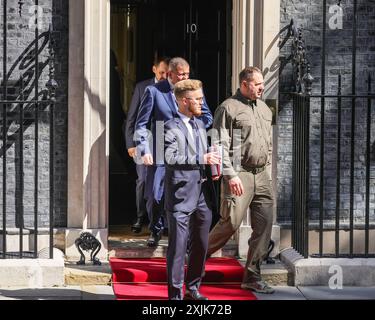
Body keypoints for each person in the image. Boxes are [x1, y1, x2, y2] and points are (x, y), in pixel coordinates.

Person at [207, 67, 275, 294]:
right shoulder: (228, 108)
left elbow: (268, 142)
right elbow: (218, 145)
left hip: (262, 175)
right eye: (257, 84)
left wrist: (268, 169)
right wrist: (230, 174)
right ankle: (195, 258)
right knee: (231, 224)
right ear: (244, 84)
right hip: (239, 173)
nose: (262, 88)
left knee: (264, 226)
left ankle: (252, 277)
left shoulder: (265, 108)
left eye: (262, 84)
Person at [135, 57, 213, 247]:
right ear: (170, 74)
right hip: (160, 149)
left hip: (187, 150)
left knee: (184, 193)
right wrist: (144, 148)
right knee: (156, 195)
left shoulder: (193, 91)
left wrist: (192, 126)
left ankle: (181, 237)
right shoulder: (153, 91)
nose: (185, 77)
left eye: (187, 74)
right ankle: (155, 229)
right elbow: (141, 123)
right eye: (181, 74)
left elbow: (208, 117)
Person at [164, 79, 220, 300]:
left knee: (201, 244)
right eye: (198, 99)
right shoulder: (169, 126)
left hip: (202, 195)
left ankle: (193, 287)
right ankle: (175, 296)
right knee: (178, 249)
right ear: (184, 101)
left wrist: (212, 167)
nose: (201, 103)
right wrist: (201, 157)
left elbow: (204, 155)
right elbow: (170, 157)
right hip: (180, 195)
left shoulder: (199, 124)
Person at [125, 57, 169, 233]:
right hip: (143, 143)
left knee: (161, 184)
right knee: (143, 181)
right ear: (154, 69)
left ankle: (159, 222)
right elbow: (132, 117)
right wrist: (131, 144)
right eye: (161, 73)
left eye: (167, 73)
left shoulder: (172, 89)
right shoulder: (142, 87)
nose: (164, 76)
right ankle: (140, 215)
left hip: (164, 144)